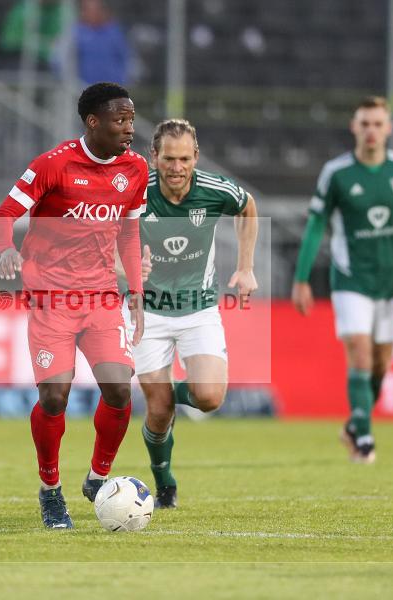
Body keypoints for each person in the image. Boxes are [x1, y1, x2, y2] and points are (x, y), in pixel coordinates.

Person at [0, 82, 148, 529]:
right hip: (52, 300)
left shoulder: (135, 169)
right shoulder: (53, 165)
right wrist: (6, 249)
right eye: (121, 120)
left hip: (99, 297)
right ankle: (50, 490)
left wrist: (134, 290)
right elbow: (4, 216)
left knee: (118, 389)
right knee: (54, 397)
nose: (129, 129)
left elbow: (130, 233)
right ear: (93, 122)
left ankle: (98, 479)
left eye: (132, 119)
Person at [127, 118, 258, 509]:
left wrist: (247, 266)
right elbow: (104, 237)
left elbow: (248, 207)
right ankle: (164, 481)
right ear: (154, 157)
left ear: (196, 157)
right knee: (158, 409)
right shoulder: (135, 192)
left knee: (209, 396)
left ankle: (170, 399)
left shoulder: (214, 190)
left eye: (185, 158)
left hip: (198, 309)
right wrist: (127, 268)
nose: (177, 167)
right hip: (147, 313)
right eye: (169, 158)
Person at [291, 96, 393, 464]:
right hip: (350, 279)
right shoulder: (336, 173)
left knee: (381, 364)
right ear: (354, 127)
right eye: (364, 123)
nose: (371, 130)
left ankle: (354, 423)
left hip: (391, 280)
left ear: (389, 128)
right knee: (361, 354)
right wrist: (302, 279)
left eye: (377, 124)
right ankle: (364, 439)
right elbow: (317, 224)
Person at [73, 0, 129, 86]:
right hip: (85, 89)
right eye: (89, 9)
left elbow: (125, 57)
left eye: (96, 9)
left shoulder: (114, 31)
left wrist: (124, 79)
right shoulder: (77, 32)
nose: (94, 13)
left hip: (113, 88)